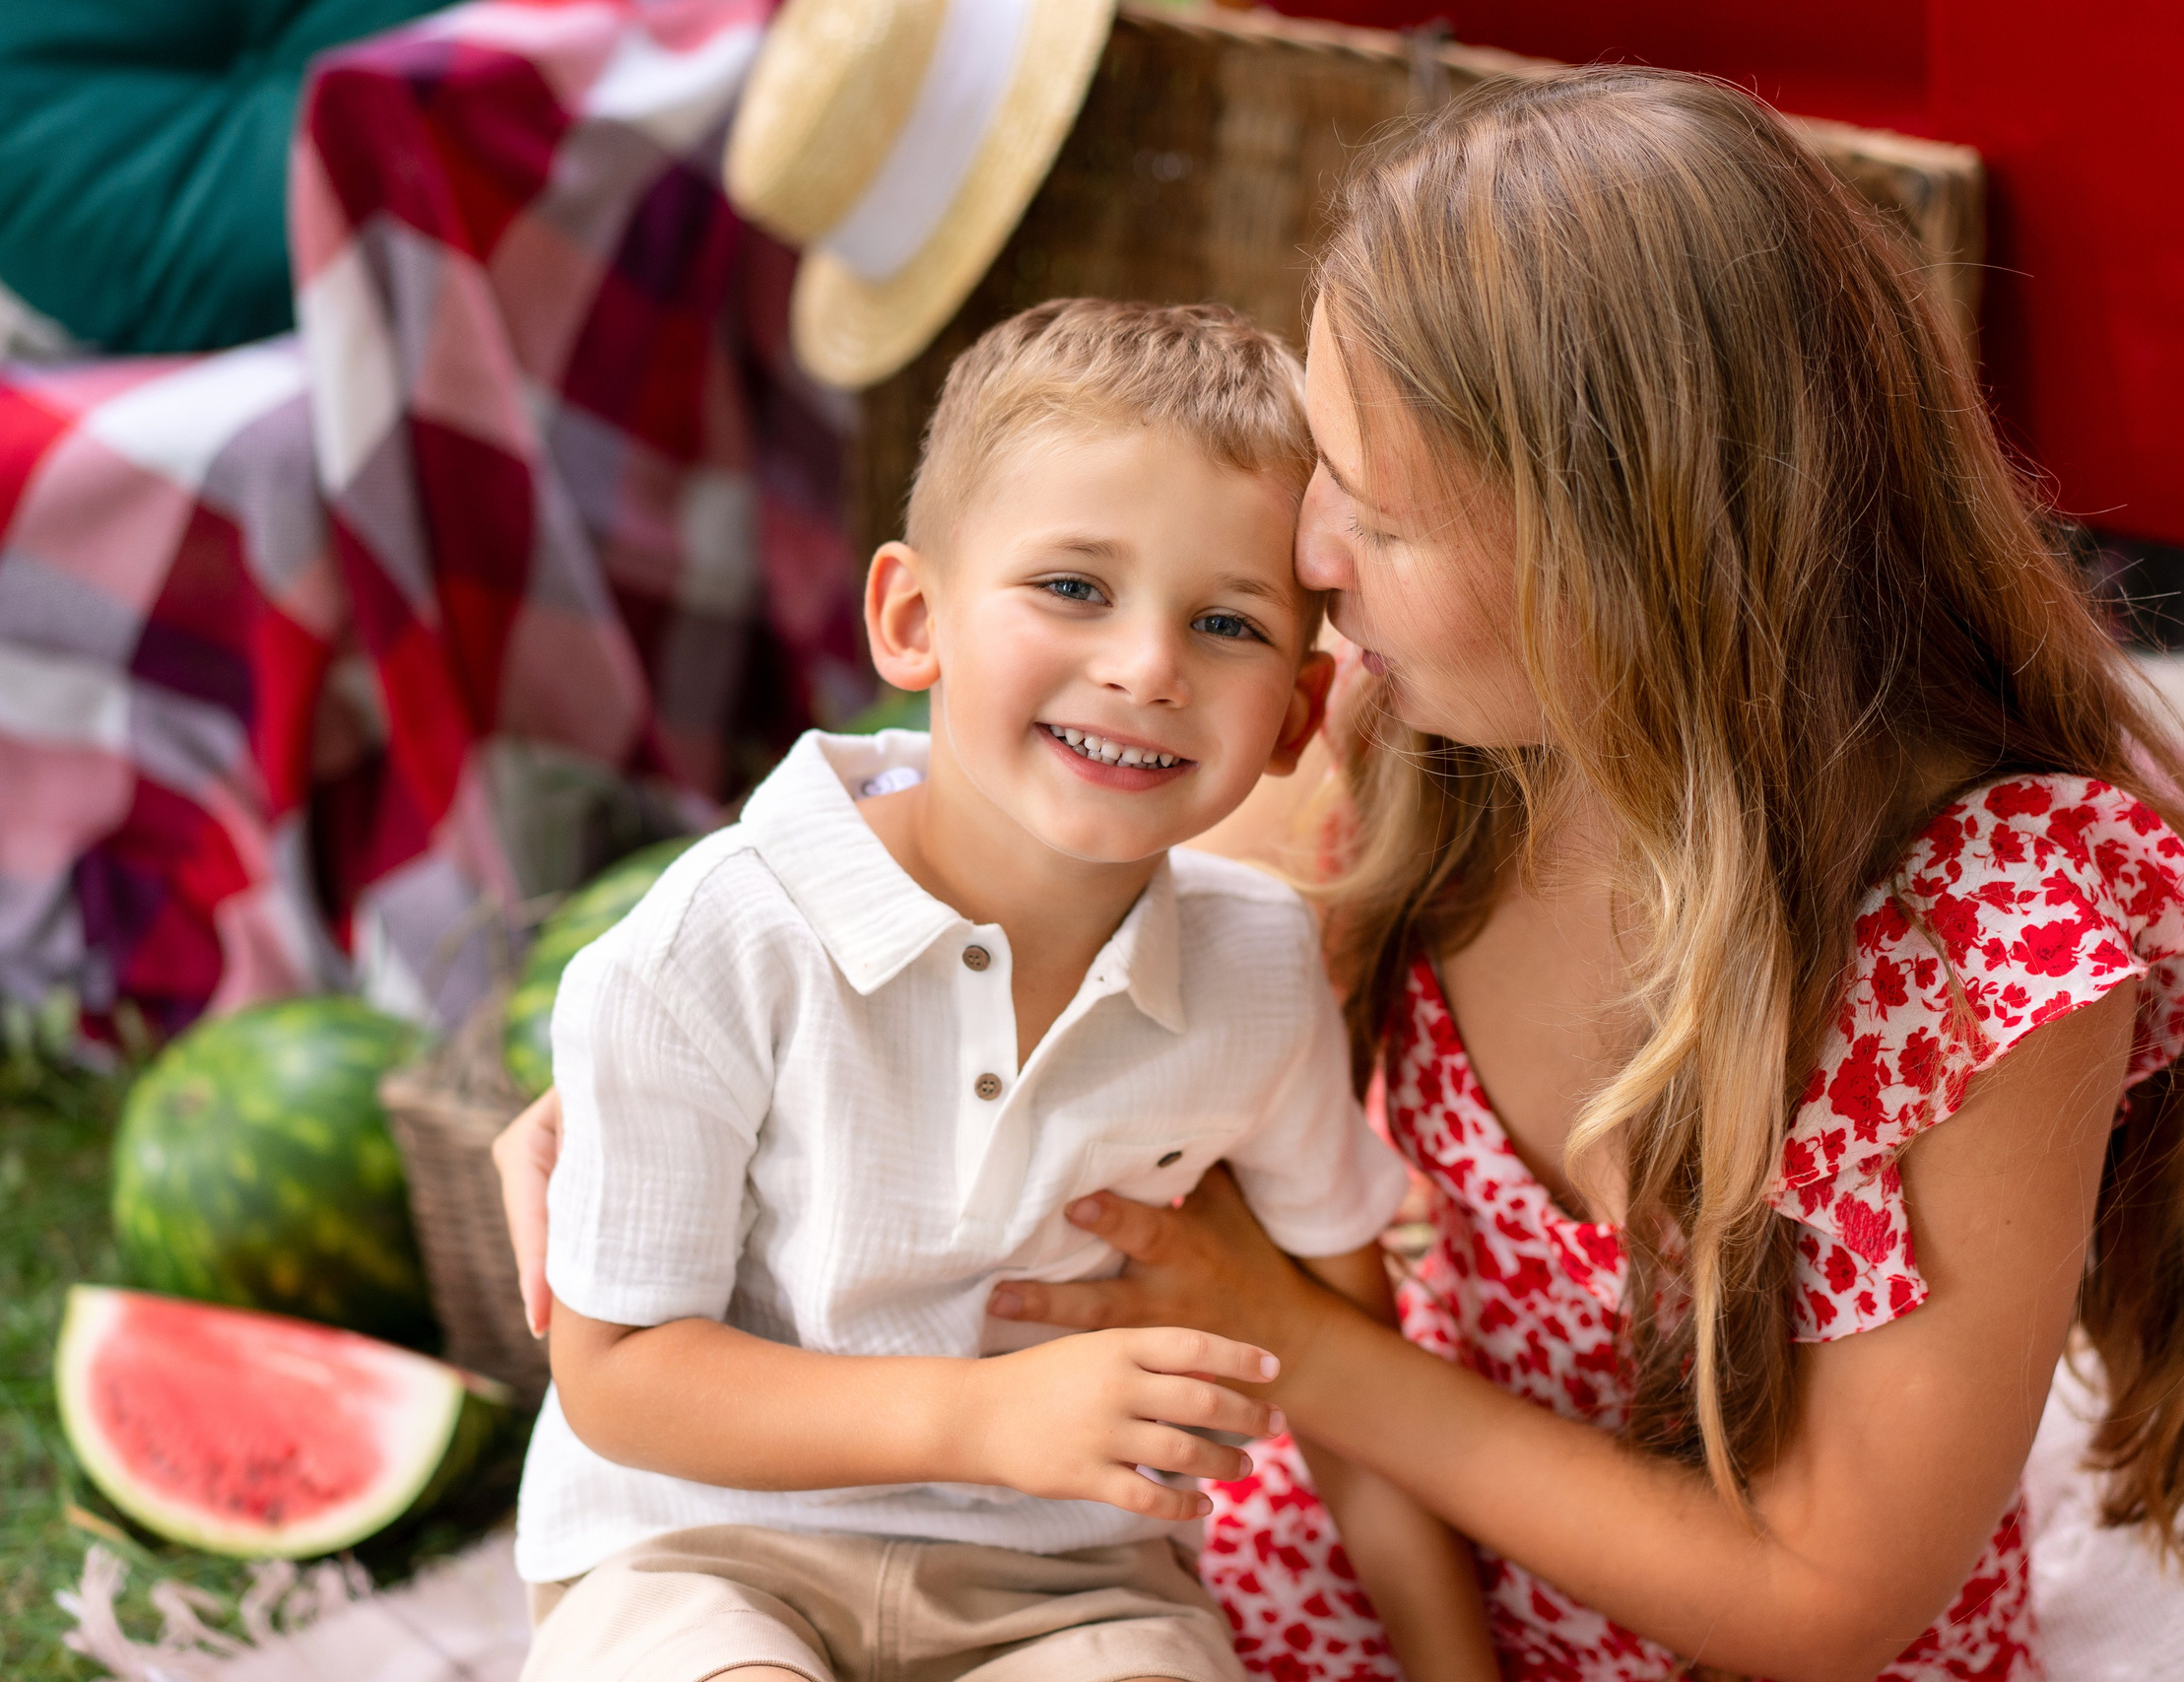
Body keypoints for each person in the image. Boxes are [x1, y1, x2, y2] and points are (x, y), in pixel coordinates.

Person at [501, 71, 2184, 1682]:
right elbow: (1024, 872)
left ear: (1622, 556)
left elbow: (1824, 1598)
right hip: (1378, 1561)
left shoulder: (2001, 938)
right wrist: (632, 1106)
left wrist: (1294, 1340)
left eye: (1376, 512)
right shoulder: (1424, 752)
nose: (1311, 556)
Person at [511, 299, 1498, 1682]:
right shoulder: (713, 942)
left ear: (1293, 718)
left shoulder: (1263, 969)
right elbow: (616, 1379)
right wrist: (981, 1418)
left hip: (1070, 1583)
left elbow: (1346, 1375)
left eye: (1226, 621)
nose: (1147, 666)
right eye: (1074, 588)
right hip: (697, 1551)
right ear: (914, 619)